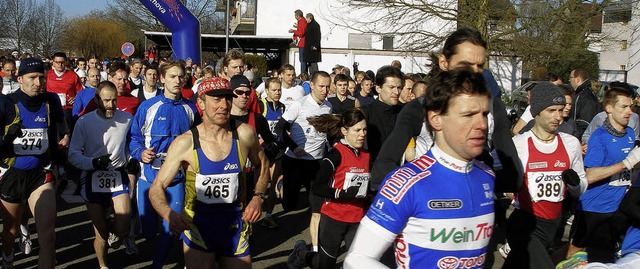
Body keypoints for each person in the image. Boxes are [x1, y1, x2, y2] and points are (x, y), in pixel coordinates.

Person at [344, 68, 494, 268]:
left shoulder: (487, 176)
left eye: (484, 114)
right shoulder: (405, 184)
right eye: (467, 115)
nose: (481, 124)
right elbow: (356, 259)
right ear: (436, 119)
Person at [370, 27, 523, 195]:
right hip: (429, 210)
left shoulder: (493, 107)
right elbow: (381, 171)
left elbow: (514, 177)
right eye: (465, 65)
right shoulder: (419, 107)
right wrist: (425, 193)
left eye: (480, 66)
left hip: (477, 209)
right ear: (444, 62)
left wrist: (478, 186)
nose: (474, 72)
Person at [149, 77, 269, 269]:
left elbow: (262, 164)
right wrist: (168, 213)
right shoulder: (184, 143)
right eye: (216, 99)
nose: (224, 105)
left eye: (227, 98)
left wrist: (258, 197)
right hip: (198, 226)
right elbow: (157, 188)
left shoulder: (245, 134)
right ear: (201, 103)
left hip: (235, 225)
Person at [503, 82, 588, 269]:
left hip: (553, 224)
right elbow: (496, 176)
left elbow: (581, 187)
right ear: (537, 112)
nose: (558, 117)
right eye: (551, 110)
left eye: (560, 110)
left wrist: (574, 184)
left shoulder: (570, 144)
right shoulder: (519, 144)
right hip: (525, 223)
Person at [129, 61, 200, 268]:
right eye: (172, 76)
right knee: (149, 231)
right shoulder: (148, 107)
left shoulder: (190, 108)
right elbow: (134, 137)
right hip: (149, 177)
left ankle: (157, 264)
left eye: (181, 77)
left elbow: (197, 138)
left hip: (176, 177)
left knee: (173, 225)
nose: (177, 81)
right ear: (162, 79)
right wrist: (140, 153)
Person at [0, 57, 67, 269]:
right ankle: (8, 256)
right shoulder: (6, 103)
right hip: (13, 174)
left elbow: (56, 133)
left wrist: (58, 164)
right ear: (20, 79)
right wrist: (9, 138)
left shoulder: (51, 101)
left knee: (48, 237)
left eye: (41, 77)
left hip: (41, 174)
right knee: (10, 232)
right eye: (32, 78)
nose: (38, 82)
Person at [564, 87, 640, 263]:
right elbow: (589, 175)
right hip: (593, 207)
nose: (630, 111)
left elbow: (631, 165)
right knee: (574, 252)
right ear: (609, 108)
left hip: (617, 207)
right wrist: (625, 164)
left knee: (603, 257)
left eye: (631, 106)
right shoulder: (600, 137)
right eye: (624, 107)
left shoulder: (629, 133)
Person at [288, 109, 369, 269]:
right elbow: (317, 187)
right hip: (334, 218)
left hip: (357, 218)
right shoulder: (335, 155)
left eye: (364, 129)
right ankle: (302, 254)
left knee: (359, 262)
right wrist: (340, 194)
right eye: (357, 130)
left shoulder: (366, 154)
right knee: (324, 265)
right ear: (344, 131)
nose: (362, 134)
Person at [68, 81, 134, 269]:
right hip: (92, 177)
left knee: (123, 227)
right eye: (106, 101)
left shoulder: (126, 119)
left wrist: (132, 161)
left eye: (114, 100)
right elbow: (73, 155)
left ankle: (116, 233)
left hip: (117, 175)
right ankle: (103, 265)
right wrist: (93, 163)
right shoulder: (84, 121)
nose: (111, 105)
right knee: (101, 232)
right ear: (97, 99)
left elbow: (128, 147)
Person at [274, 71, 332, 252]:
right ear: (312, 86)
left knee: (316, 201)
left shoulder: (328, 107)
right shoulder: (299, 105)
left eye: (327, 86)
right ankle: (281, 183)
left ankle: (317, 238)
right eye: (321, 86)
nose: (325, 90)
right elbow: (279, 128)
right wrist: (293, 147)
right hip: (295, 160)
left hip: (317, 161)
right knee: (289, 204)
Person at [361, 66, 403, 167]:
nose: (396, 92)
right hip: (373, 171)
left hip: (399, 172)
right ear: (378, 88)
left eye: (399, 87)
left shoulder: (404, 112)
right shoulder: (366, 113)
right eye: (391, 87)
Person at [569, 67, 600, 139]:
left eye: (570, 77)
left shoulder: (584, 95)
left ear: (577, 79)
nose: (569, 80)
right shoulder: (583, 93)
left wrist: (576, 137)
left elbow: (584, 122)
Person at [289, 9, 307, 74]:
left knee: (302, 60)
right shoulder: (302, 21)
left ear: (298, 16)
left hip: (302, 43)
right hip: (302, 43)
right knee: (302, 60)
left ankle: (303, 74)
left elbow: (301, 33)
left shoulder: (302, 21)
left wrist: (293, 31)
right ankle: (303, 73)